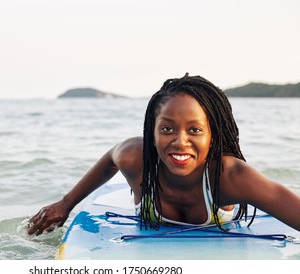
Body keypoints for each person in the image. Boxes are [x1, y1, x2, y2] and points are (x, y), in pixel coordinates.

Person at [28, 73, 300, 235]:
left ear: (213, 134)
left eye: (194, 130)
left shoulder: (230, 177)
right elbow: (112, 157)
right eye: (167, 128)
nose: (180, 142)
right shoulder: (137, 157)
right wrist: (66, 203)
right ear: (152, 132)